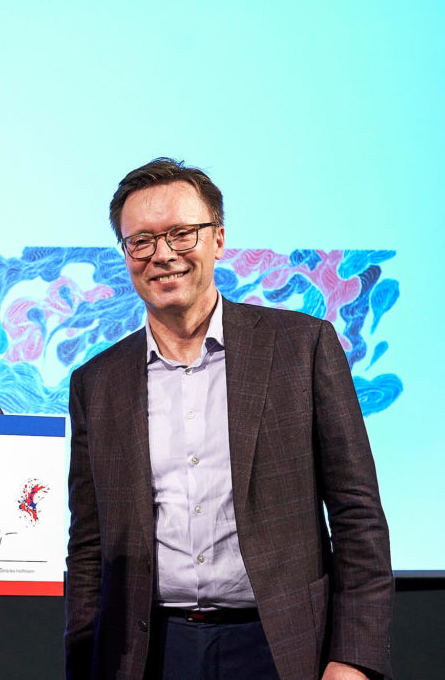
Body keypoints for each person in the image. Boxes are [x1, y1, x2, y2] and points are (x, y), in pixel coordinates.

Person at [64, 158, 393, 679]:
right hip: (148, 654)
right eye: (141, 241)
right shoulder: (96, 382)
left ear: (218, 239)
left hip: (282, 646)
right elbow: (88, 547)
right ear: (124, 254)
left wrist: (352, 659)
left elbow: (358, 517)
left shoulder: (301, 348)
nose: (162, 254)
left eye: (181, 234)